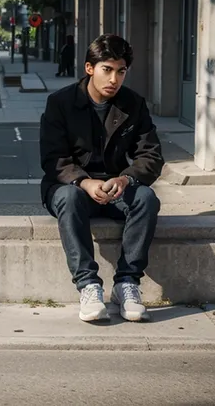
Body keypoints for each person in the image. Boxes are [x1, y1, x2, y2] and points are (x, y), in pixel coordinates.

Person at [39, 34, 164, 323]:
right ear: (89, 68)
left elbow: (151, 155)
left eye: (121, 71)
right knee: (69, 199)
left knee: (146, 198)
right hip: (70, 186)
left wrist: (125, 179)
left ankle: (127, 284)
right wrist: (84, 182)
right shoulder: (60, 103)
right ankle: (88, 286)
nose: (114, 79)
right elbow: (52, 159)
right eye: (107, 69)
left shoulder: (133, 104)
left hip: (115, 186)